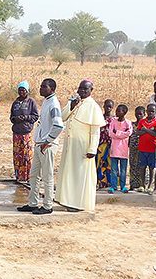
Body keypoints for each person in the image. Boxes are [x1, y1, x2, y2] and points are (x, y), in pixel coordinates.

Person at [55, 80, 105, 212]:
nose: (82, 91)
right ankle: (66, 200)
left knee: (80, 174)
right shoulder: (75, 102)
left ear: (91, 90)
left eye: (85, 89)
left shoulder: (93, 106)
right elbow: (63, 117)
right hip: (70, 144)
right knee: (69, 172)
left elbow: (95, 131)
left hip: (83, 145)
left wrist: (92, 149)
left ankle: (78, 204)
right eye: (80, 88)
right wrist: (71, 106)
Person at [17, 78, 63, 215]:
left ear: (52, 89)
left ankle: (48, 205)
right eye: (41, 86)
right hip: (39, 144)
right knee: (34, 175)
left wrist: (48, 140)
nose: (40, 89)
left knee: (47, 176)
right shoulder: (46, 101)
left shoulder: (54, 104)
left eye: (44, 87)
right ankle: (33, 202)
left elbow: (58, 125)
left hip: (47, 145)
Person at [10, 80, 39, 183]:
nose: (21, 92)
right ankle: (19, 176)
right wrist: (15, 119)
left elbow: (35, 116)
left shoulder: (31, 102)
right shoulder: (15, 103)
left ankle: (28, 176)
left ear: (27, 91)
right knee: (17, 155)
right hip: (17, 132)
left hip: (26, 132)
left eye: (23, 90)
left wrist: (25, 117)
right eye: (20, 90)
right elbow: (11, 117)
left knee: (27, 154)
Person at [108, 104, 132, 193]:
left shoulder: (128, 123)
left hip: (123, 150)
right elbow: (110, 133)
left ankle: (123, 186)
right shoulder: (113, 122)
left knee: (123, 170)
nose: (116, 112)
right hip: (114, 149)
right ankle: (113, 186)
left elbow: (128, 133)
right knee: (113, 169)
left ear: (124, 113)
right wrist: (121, 133)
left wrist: (117, 133)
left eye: (119, 111)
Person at [137, 104, 156, 194]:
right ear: (146, 111)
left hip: (152, 148)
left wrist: (145, 130)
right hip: (142, 148)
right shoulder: (142, 121)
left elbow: (155, 134)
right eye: (149, 111)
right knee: (142, 167)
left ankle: (150, 185)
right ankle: (142, 184)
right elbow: (138, 132)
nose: (151, 113)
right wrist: (150, 130)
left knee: (151, 167)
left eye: (153, 111)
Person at [96, 99, 115, 189]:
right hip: (101, 144)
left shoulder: (115, 119)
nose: (108, 108)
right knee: (99, 163)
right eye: (107, 106)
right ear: (103, 106)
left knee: (110, 164)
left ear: (112, 108)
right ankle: (100, 182)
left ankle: (110, 183)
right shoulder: (100, 118)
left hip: (111, 144)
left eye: (110, 107)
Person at [129, 106, 146, 191]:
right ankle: (133, 184)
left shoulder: (145, 125)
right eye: (137, 113)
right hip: (133, 148)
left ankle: (142, 185)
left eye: (140, 114)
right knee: (133, 166)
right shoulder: (132, 124)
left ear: (144, 114)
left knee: (142, 167)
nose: (138, 115)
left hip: (143, 148)